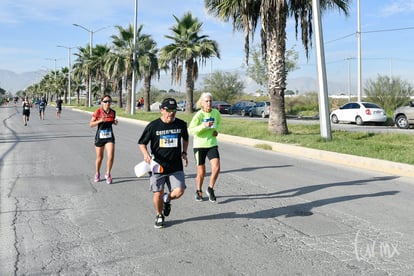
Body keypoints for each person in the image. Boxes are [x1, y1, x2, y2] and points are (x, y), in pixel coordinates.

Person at [138, 98, 189, 229]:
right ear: (161, 110)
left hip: (175, 165)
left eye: (174, 110)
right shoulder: (153, 126)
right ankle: (159, 215)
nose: (171, 113)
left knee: (179, 191)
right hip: (158, 166)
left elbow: (186, 138)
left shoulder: (181, 124)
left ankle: (167, 199)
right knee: (157, 194)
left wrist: (184, 152)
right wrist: (146, 155)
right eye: (169, 110)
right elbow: (142, 143)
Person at [189, 92, 221, 202]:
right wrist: (203, 126)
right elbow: (191, 130)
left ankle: (210, 188)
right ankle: (198, 190)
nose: (209, 103)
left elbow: (219, 123)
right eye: (206, 101)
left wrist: (216, 131)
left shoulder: (216, 112)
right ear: (202, 103)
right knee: (201, 172)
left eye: (210, 101)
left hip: (212, 144)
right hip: (199, 145)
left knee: (216, 168)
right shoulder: (199, 115)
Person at [89, 95, 118, 184]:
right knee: (100, 157)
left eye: (109, 101)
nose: (107, 103)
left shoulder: (113, 112)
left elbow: (112, 120)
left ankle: (108, 174)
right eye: (105, 101)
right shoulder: (98, 112)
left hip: (109, 137)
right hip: (100, 137)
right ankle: (97, 173)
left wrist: (114, 122)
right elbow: (91, 124)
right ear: (102, 102)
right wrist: (99, 121)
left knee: (111, 156)